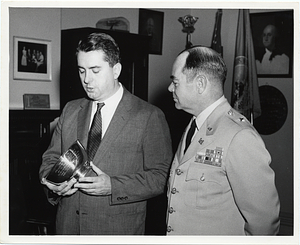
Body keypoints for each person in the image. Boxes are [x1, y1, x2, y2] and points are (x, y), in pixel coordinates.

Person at [39, 32, 173, 235]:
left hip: (116, 230)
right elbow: (50, 159)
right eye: (81, 70)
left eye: (95, 70)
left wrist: (113, 186)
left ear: (116, 69)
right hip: (68, 228)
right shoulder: (71, 110)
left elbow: (161, 177)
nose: (86, 79)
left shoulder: (149, 115)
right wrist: (52, 184)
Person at [166, 46, 280, 235]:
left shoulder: (239, 136)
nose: (170, 88)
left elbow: (264, 223)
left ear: (200, 84)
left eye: (175, 82)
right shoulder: (193, 126)